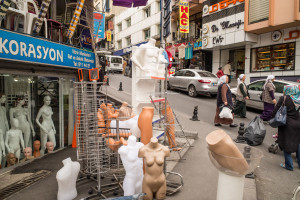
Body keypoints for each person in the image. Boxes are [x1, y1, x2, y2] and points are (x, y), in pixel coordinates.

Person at [272, 85, 300, 171]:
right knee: (298, 143)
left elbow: (276, 110)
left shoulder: (284, 98)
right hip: (298, 123)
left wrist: (273, 117)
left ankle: (289, 165)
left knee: (286, 143)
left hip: (287, 124)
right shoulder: (298, 99)